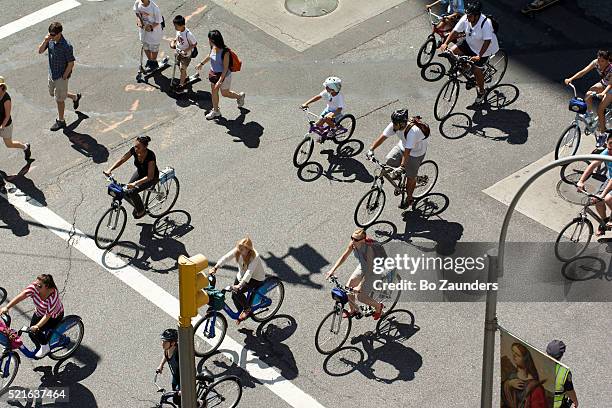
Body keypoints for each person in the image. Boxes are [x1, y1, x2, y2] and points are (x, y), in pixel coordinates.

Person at [366, 109, 429, 209]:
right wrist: (371, 149)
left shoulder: (412, 132)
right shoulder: (394, 125)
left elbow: (407, 152)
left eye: (396, 123)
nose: (393, 125)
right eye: (393, 122)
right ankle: (400, 175)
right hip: (403, 146)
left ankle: (409, 198)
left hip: (416, 152)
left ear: (402, 123)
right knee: (389, 160)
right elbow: (383, 137)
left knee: (410, 177)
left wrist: (402, 166)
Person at [439, 1, 500, 105]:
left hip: (483, 50)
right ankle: (465, 67)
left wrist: (479, 56)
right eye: (467, 15)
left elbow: (487, 41)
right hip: (469, 43)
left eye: (470, 16)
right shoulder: (466, 18)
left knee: (476, 70)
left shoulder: (486, 24)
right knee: (451, 52)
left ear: (476, 16)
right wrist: (445, 43)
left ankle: (481, 91)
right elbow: (455, 31)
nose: (467, 18)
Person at [325, 228, 385, 320]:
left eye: (356, 239)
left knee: (360, 296)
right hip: (363, 265)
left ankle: (378, 306)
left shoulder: (369, 250)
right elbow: (344, 256)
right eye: (352, 238)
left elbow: (370, 270)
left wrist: (360, 286)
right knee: (348, 287)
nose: (353, 241)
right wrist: (332, 270)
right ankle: (352, 310)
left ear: (363, 240)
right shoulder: (353, 244)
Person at [0, 274, 64, 358]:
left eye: (40, 286)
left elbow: (47, 316)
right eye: (36, 284)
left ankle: (45, 347)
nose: (36, 287)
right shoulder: (35, 288)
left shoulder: (53, 297)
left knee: (36, 331)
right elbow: (21, 296)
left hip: (53, 317)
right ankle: (40, 346)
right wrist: (7, 307)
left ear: (47, 287)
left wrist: (37, 326)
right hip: (39, 313)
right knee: (31, 333)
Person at [37, 22, 82, 131]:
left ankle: (61, 121)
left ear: (59, 33)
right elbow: (40, 51)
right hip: (52, 74)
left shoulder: (66, 46)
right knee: (53, 93)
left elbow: (71, 63)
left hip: (61, 76)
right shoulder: (50, 41)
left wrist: (64, 77)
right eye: (50, 34)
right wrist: (45, 40)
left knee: (59, 99)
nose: (51, 36)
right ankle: (75, 97)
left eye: (53, 35)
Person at [210, 237, 266, 323]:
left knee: (237, 292)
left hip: (255, 278)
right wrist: (215, 267)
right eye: (239, 248)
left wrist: (239, 285)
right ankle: (242, 313)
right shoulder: (238, 250)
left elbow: (249, 273)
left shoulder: (255, 256)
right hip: (241, 276)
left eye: (242, 249)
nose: (239, 250)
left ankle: (247, 309)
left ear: (248, 249)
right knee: (234, 295)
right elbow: (226, 257)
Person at [103, 135, 159, 219]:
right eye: (135, 146)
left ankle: (141, 210)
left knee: (132, 191)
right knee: (127, 190)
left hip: (151, 178)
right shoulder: (134, 150)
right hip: (140, 173)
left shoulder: (150, 156)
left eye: (138, 148)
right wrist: (110, 169)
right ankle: (138, 203)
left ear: (145, 147)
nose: (136, 149)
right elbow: (122, 159)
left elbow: (150, 176)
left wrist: (135, 183)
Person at [564, 50, 612, 147]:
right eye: (598, 60)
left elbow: (610, 84)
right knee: (588, 94)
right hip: (604, 83)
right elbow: (583, 72)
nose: (599, 62)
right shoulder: (596, 63)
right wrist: (571, 79)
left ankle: (602, 135)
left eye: (602, 61)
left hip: (610, 88)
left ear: (607, 61)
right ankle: (590, 117)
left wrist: (603, 93)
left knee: (600, 109)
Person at [195, 30, 246, 120]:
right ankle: (216, 111)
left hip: (224, 76)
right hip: (213, 74)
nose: (208, 41)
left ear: (214, 40)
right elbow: (210, 55)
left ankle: (239, 96)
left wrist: (220, 81)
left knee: (225, 93)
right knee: (214, 92)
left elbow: (225, 69)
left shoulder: (225, 52)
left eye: (209, 39)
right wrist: (201, 63)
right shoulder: (212, 47)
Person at [576, 130, 612, 236]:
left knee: (608, 198)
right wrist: (581, 181)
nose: (611, 150)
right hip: (609, 180)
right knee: (598, 200)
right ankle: (604, 222)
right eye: (610, 145)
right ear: (606, 142)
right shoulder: (607, 152)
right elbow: (593, 165)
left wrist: (603, 194)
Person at [501, 342, 547, 408]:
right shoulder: (511, 376)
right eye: (513, 353)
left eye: (518, 355)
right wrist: (509, 384)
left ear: (525, 359)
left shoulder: (535, 387)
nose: (514, 356)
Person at [301, 77, 344, 142]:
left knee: (327, 118)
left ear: (333, 89)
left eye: (327, 87)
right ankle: (323, 134)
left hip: (336, 113)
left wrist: (332, 114)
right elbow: (318, 97)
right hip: (328, 110)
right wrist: (306, 103)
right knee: (318, 124)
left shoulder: (339, 97)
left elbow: (340, 108)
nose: (325, 88)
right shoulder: (327, 92)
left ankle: (334, 129)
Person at [0, 77, 31, 161]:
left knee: (9, 144)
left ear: (2, 87)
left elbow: (7, 116)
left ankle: (25, 147)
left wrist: (2, 126)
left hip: (5, 126)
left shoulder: (6, 99)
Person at [546, 340, 579, 408]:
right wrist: (575, 401)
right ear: (561, 356)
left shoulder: (537, 361)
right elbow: (569, 391)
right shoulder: (564, 373)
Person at [133, 0, 164, 71]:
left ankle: (153, 61)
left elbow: (158, 21)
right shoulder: (137, 3)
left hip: (154, 32)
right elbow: (137, 12)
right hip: (143, 31)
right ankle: (150, 61)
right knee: (145, 46)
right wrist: (139, 20)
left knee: (154, 47)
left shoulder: (154, 8)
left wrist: (151, 27)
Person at [169, 15, 197, 92]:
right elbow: (177, 38)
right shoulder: (178, 31)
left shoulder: (188, 34)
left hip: (186, 55)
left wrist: (186, 50)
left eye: (176, 26)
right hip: (178, 53)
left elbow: (194, 43)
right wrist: (173, 42)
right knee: (180, 67)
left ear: (183, 25)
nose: (175, 28)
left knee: (182, 68)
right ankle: (185, 76)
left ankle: (181, 85)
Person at [156, 329, 181, 404]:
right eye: (162, 341)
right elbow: (165, 355)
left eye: (165, 342)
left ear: (172, 343)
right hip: (176, 376)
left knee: (182, 400)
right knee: (176, 398)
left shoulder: (179, 354)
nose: (162, 344)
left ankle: (200, 403)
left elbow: (187, 372)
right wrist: (161, 365)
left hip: (184, 378)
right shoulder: (167, 349)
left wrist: (183, 389)